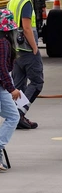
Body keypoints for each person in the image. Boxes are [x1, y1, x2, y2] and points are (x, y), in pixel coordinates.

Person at [8, 0, 42, 129]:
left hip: (14, 50)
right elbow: (27, 27)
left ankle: (17, 116)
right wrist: (35, 47)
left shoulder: (11, 2)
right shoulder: (26, 3)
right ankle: (20, 113)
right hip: (27, 49)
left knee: (19, 86)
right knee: (37, 82)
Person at [0, 9, 21, 172]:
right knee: (13, 116)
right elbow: (2, 69)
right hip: (2, 86)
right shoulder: (3, 43)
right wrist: (11, 88)